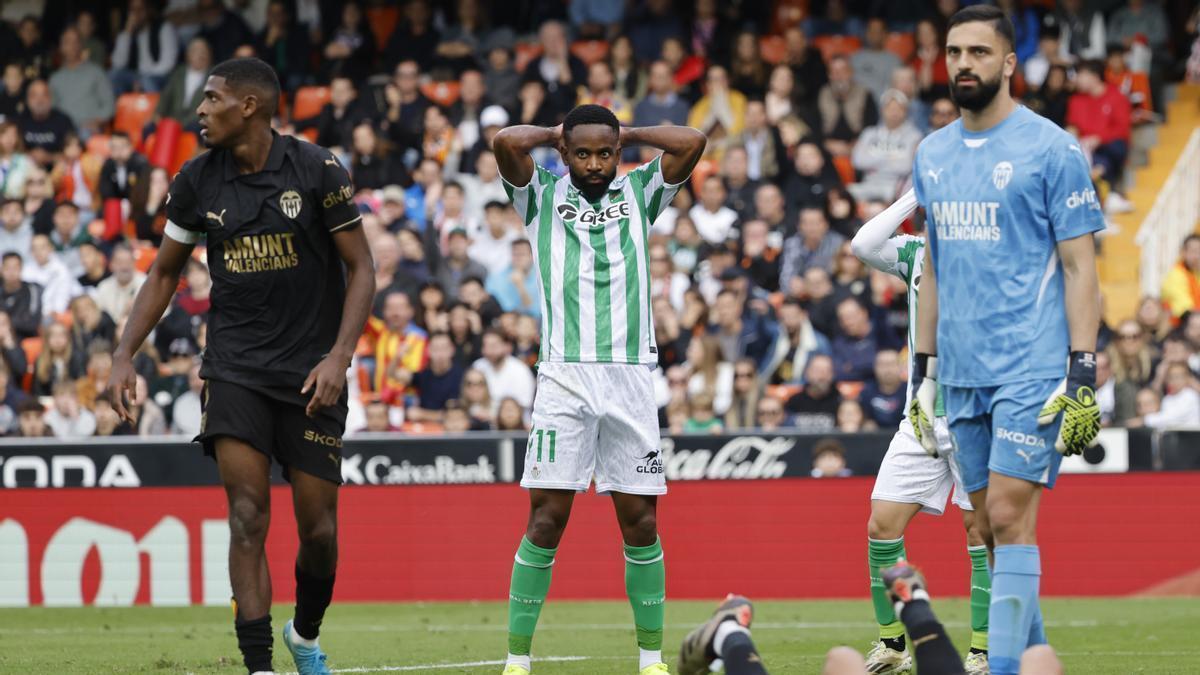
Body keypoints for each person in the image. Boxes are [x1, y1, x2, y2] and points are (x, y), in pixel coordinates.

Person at [108, 57, 375, 675]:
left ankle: (304, 634)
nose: (199, 110)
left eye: (211, 98)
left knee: (319, 533)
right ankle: (258, 668)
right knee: (247, 514)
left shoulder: (317, 169)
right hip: (234, 369)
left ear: (248, 105)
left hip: (313, 375)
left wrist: (340, 356)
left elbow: (363, 268)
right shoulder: (196, 180)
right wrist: (124, 353)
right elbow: (165, 272)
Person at [908, 8, 1104, 675]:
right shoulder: (929, 154)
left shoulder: (1052, 148)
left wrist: (1082, 370)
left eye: (979, 53)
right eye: (954, 52)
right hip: (962, 371)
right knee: (989, 530)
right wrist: (922, 372)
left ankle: (1003, 669)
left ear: (1010, 63)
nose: (963, 64)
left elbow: (1081, 267)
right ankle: (1036, 658)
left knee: (1009, 511)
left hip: (1033, 364)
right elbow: (931, 267)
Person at [493, 104, 705, 675]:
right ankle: (517, 660)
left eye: (604, 152)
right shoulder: (537, 196)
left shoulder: (641, 191)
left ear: (618, 153)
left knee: (640, 521)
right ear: (563, 153)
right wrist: (557, 133)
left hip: (632, 375)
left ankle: (651, 658)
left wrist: (627, 132)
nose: (594, 163)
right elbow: (506, 142)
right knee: (546, 519)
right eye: (582, 153)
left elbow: (692, 140)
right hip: (563, 374)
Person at [851, 189, 990, 674]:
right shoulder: (915, 253)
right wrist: (914, 193)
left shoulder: (992, 251)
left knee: (980, 531)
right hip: (921, 417)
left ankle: (983, 651)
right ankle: (892, 644)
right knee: (880, 526)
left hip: (977, 414)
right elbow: (865, 244)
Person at [48, 28, 114, 137]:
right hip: (64, 132)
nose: (72, 46)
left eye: (75, 42)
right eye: (67, 42)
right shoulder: (55, 78)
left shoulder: (96, 72)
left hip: (89, 129)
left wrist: (97, 121)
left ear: (81, 45)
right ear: (61, 47)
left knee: (84, 134)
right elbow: (52, 109)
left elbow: (109, 104)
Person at [1162, 235, 1200, 319]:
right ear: (1183, 253)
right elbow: (1184, 309)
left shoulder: (1197, 273)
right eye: (1194, 251)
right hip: (1182, 324)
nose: (1197, 256)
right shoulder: (1175, 274)